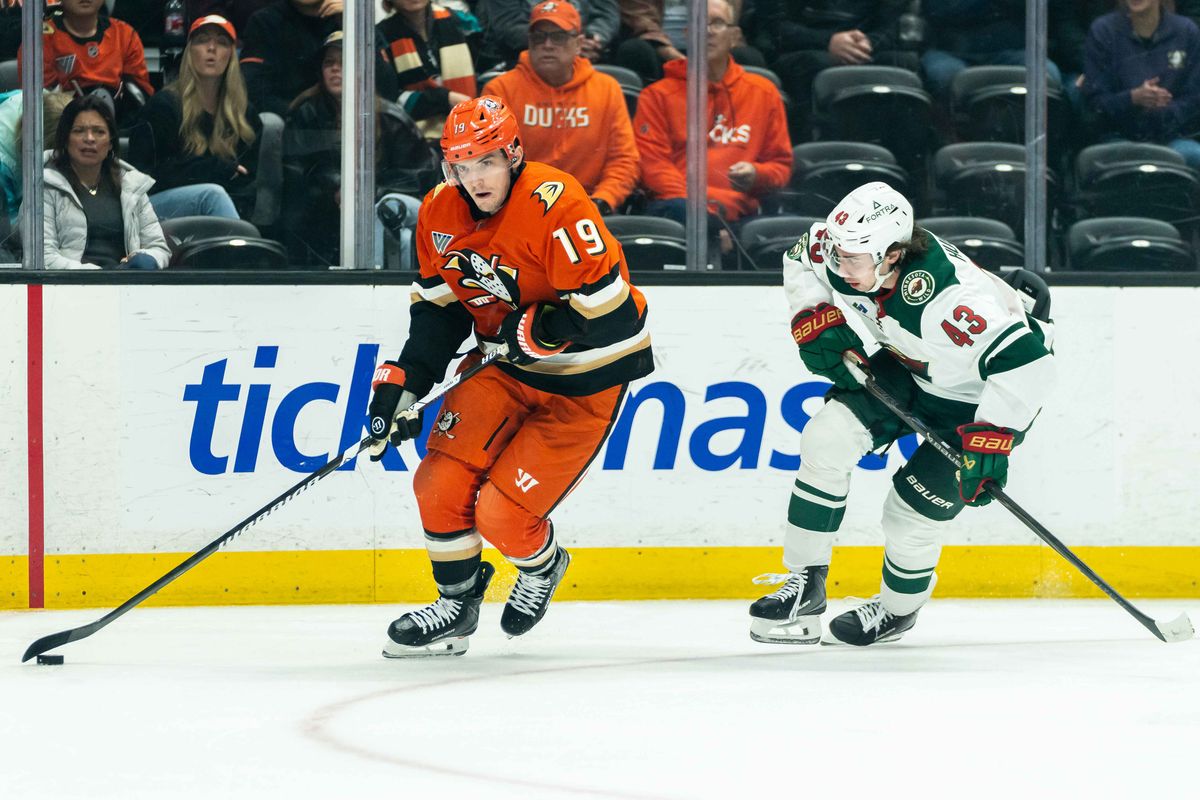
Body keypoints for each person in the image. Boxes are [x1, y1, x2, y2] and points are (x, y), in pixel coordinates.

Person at [366, 95, 653, 657]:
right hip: (503, 368)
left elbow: (616, 315)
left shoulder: (557, 203)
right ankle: (457, 606)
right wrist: (403, 384)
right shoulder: (438, 212)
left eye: (486, 161)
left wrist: (540, 331)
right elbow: (440, 312)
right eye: (460, 165)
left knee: (501, 517)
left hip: (583, 380)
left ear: (514, 153)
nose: (474, 178)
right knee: (436, 484)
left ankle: (543, 566)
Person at [748, 182, 1055, 646]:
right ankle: (804, 585)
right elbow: (800, 253)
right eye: (836, 253)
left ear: (892, 255)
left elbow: (1029, 365)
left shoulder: (953, 301)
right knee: (825, 441)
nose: (836, 266)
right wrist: (814, 318)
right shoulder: (844, 252)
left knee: (908, 515)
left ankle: (897, 611)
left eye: (850, 259)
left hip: (978, 400)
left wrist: (990, 443)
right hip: (912, 368)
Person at [633, 0, 791, 260]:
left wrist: (757, 173)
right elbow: (654, 169)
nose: (707, 30)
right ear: (687, 35)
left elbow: (781, 166)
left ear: (735, 36)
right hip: (681, 213)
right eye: (699, 24)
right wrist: (707, 216)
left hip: (742, 216)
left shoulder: (764, 93)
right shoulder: (656, 96)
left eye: (717, 23)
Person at [284, 31, 438, 267]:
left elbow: (420, 175)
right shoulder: (305, 112)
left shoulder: (391, 117)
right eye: (329, 63)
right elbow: (295, 170)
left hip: (382, 212)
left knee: (395, 222)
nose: (336, 69)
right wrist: (335, 187)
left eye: (344, 62)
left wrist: (368, 193)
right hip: (321, 216)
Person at [486, 0, 639, 215]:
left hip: (591, 207)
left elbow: (624, 160)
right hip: (521, 208)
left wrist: (602, 202)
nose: (547, 44)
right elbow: (492, 162)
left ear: (578, 44)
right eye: (539, 37)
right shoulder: (500, 90)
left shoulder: (607, 89)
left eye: (558, 36)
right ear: (529, 43)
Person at [127, 15, 258, 221]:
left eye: (222, 43)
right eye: (202, 40)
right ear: (189, 52)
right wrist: (215, 169)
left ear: (231, 55)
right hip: (152, 206)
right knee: (212, 196)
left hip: (219, 207)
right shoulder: (164, 106)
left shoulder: (244, 114)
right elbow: (145, 177)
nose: (211, 48)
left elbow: (247, 180)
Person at [38, 93, 170, 269]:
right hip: (69, 289)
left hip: (127, 288)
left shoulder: (132, 185)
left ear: (110, 143)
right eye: (79, 131)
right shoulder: (43, 186)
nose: (90, 139)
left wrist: (145, 259)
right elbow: (42, 258)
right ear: (65, 139)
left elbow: (159, 248)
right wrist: (96, 277)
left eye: (99, 132)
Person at [1084, 0, 1200, 170]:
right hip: (1117, 138)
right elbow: (1094, 101)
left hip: (1173, 138)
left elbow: (1195, 97)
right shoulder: (1103, 30)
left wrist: (1165, 110)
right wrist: (1132, 98)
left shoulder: (1186, 31)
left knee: (1194, 156)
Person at [239, 0, 398, 118]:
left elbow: (388, 89)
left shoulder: (351, 17)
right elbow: (253, 91)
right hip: (293, 126)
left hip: (353, 123)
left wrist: (352, 26)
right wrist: (301, 114)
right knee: (269, 122)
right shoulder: (266, 21)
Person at [21, 0, 154, 121]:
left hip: (117, 127)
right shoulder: (39, 38)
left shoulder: (124, 35)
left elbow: (140, 96)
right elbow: (41, 101)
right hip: (59, 128)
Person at [377, 0, 478, 140]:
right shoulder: (381, 36)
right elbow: (390, 99)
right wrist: (444, 98)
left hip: (472, 130)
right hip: (418, 141)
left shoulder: (461, 21)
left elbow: (486, 65)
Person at [479, 0, 619, 70]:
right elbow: (509, 27)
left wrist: (594, 37)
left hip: (588, 49)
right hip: (524, 53)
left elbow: (608, 15)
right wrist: (565, 43)